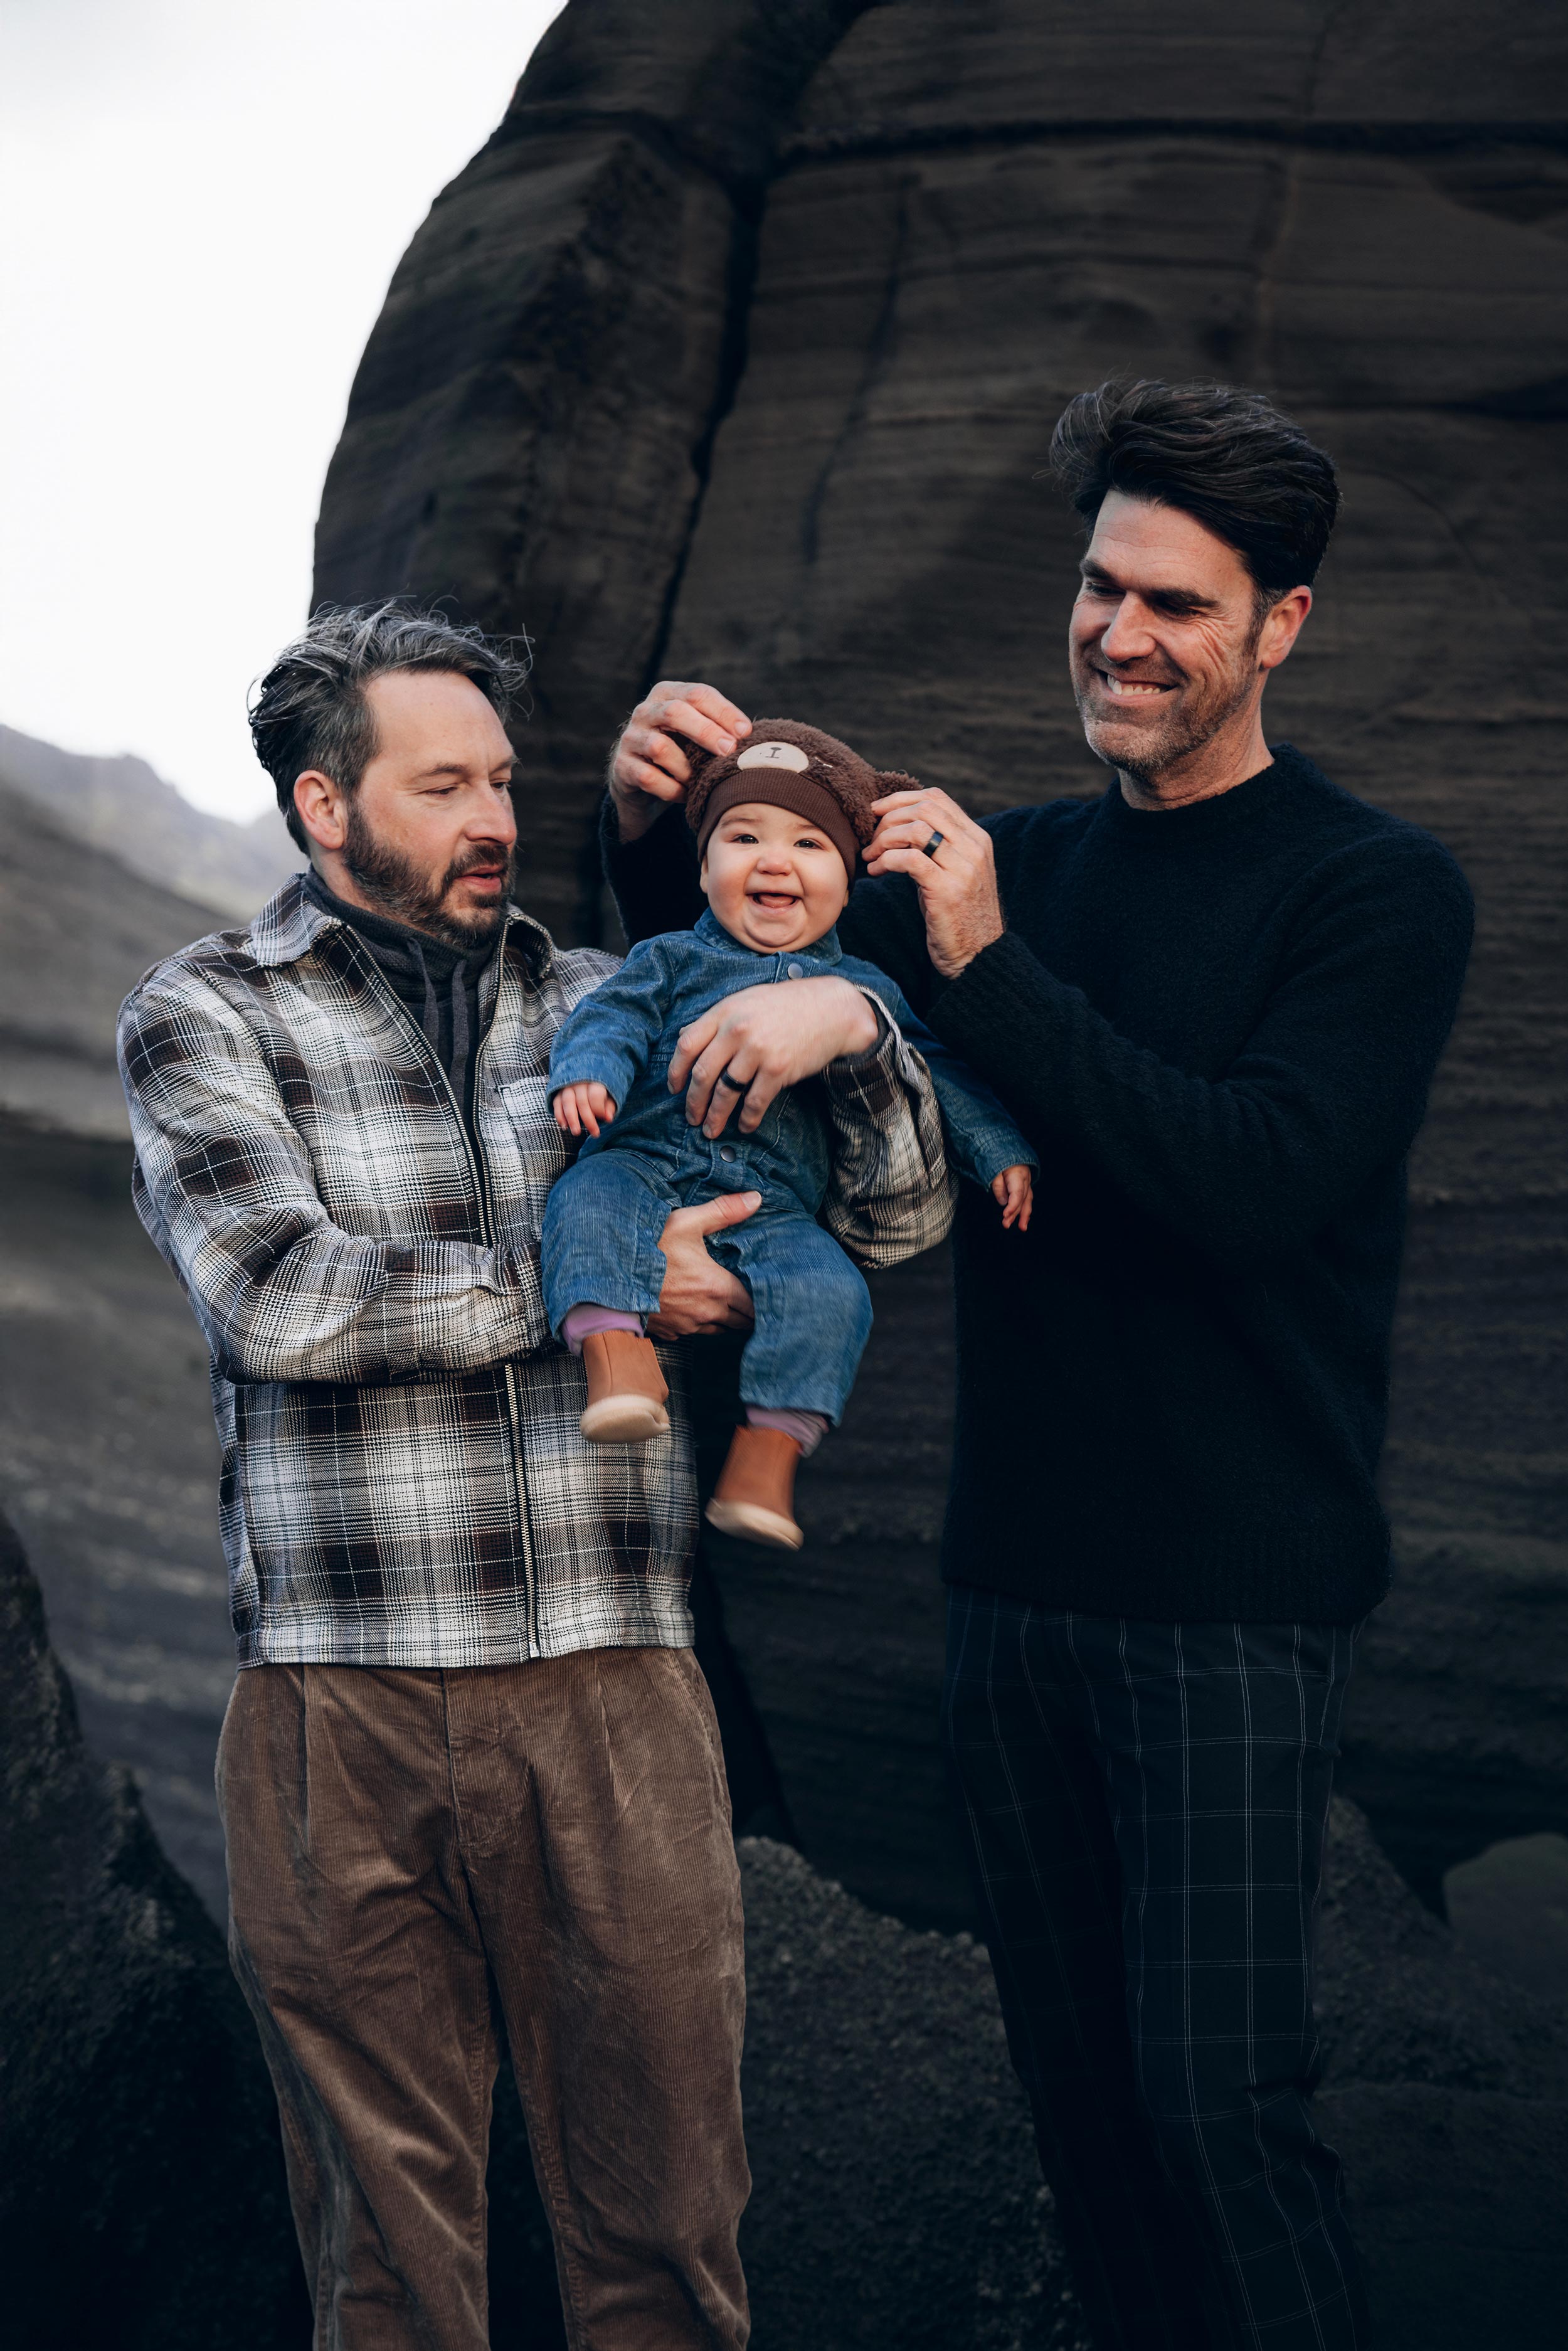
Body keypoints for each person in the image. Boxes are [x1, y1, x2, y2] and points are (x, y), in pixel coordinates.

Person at [601, 381, 1475, 2350]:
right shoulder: (1021, 867)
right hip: (1009, 1593)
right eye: (1100, 587)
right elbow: (747, 994)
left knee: (1217, 2120)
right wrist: (651, 829)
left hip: (1227, 1608)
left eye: (1176, 602)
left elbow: (1247, 1183)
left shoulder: (1369, 890)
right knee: (1083, 2118)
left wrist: (985, 969)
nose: (1120, 635)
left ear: (1280, 625)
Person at [115, 600, 951, 2351]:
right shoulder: (204, 1012)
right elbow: (280, 1296)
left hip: (612, 1684)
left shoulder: (609, 998)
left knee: (666, 2239)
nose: (493, 815)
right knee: (385, 2267)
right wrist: (600, 1284)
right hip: (335, 1702)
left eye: (501, 778)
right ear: (324, 804)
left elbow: (886, 1221)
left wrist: (847, 1027)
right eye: (443, 786)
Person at [541, 716, 1035, 1549]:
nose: (774, 861)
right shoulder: (668, 957)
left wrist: (999, 1151)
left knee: (833, 1290)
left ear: (850, 880)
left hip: (772, 1204)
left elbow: (940, 1073)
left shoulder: (867, 990)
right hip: (645, 1160)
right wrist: (589, 1073)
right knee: (585, 1198)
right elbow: (612, 1015)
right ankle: (615, 1357)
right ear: (703, 868)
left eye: (810, 844)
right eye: (744, 837)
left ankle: (768, 1455)